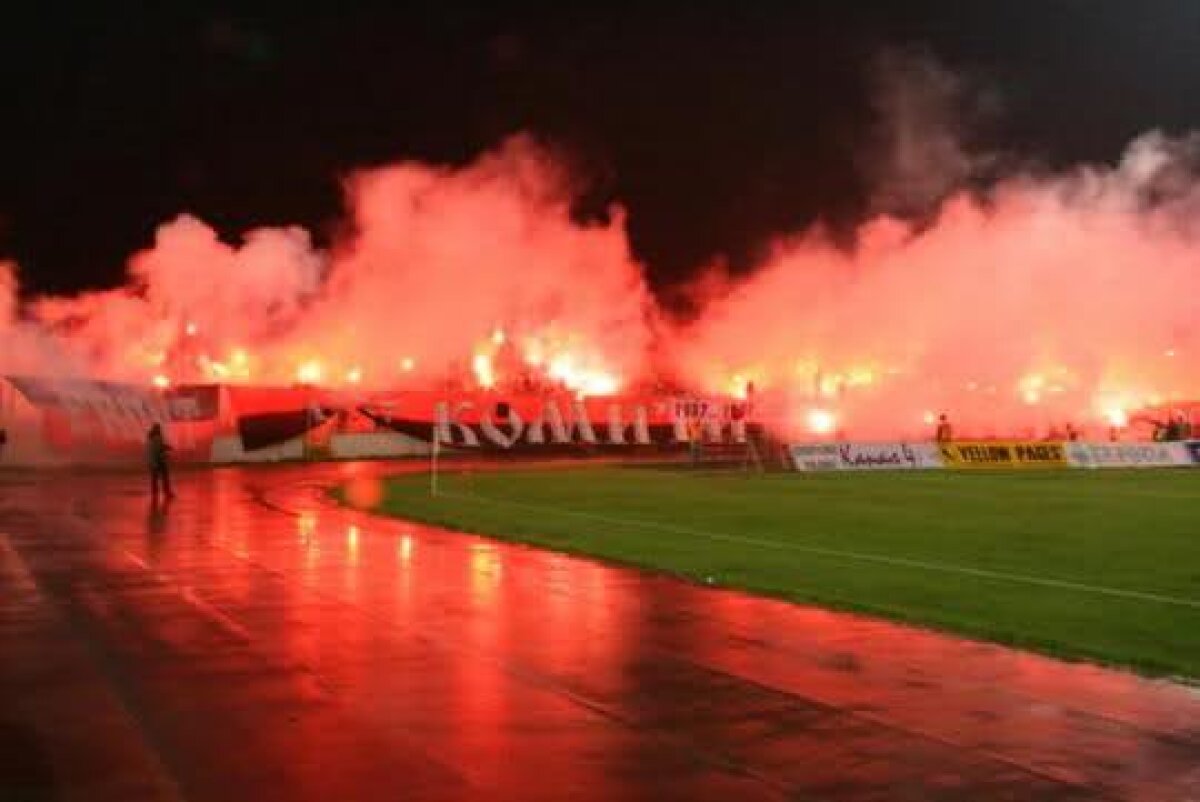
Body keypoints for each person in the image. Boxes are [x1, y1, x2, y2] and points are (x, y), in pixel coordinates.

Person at [147, 423, 174, 500]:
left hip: (153, 461)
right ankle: (167, 492)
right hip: (159, 461)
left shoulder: (150, 438)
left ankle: (155, 493)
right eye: (159, 429)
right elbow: (159, 448)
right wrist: (167, 448)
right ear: (157, 430)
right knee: (164, 477)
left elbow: (155, 449)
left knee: (155, 478)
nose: (161, 430)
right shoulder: (157, 438)